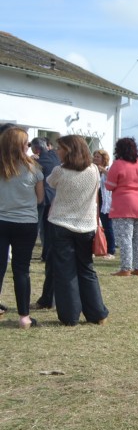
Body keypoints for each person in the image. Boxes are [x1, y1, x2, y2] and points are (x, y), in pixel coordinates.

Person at [45, 135, 109, 326]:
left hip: (61, 223)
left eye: (60, 148)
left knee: (65, 271)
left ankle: (70, 315)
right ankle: (97, 313)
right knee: (86, 269)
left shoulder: (60, 171)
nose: (57, 151)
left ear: (69, 150)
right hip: (87, 225)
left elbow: (50, 182)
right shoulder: (94, 170)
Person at [0, 125, 45, 328]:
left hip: (2, 221)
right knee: (21, 270)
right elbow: (40, 198)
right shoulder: (34, 169)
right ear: (21, 146)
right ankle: (24, 317)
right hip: (26, 222)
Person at [105, 137, 138, 277]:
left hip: (124, 204)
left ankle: (125, 268)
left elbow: (109, 186)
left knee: (125, 238)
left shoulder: (118, 164)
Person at [30, 137, 59, 309]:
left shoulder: (38, 162)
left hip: (44, 201)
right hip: (54, 201)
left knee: (42, 233)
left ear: (36, 149)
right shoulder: (55, 157)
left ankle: (48, 298)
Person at [91, 149, 116, 258]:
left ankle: (111, 250)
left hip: (106, 201)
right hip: (95, 199)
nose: (95, 158)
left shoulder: (108, 169)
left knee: (107, 225)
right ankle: (97, 247)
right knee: (94, 224)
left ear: (103, 159)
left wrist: (103, 171)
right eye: (95, 156)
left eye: (98, 157)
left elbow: (113, 177)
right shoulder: (91, 169)